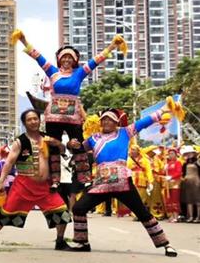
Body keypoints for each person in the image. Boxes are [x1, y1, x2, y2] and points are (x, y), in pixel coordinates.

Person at [15, 29, 122, 190]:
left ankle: (85, 178)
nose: (66, 60)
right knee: (52, 147)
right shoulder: (53, 72)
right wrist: (23, 39)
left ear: (74, 61)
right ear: (59, 60)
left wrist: (113, 45)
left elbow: (96, 60)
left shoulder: (79, 73)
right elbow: (37, 56)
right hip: (54, 117)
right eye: (64, 57)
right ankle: (55, 180)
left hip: (73, 116)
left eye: (69, 58)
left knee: (78, 146)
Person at [69, 108, 177, 257]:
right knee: (79, 208)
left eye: (110, 119)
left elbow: (144, 122)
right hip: (101, 184)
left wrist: (164, 110)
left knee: (142, 213)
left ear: (116, 123)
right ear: (100, 122)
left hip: (123, 183)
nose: (107, 122)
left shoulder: (124, 132)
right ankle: (83, 242)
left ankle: (166, 244)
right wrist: (72, 145)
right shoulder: (94, 138)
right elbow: (79, 149)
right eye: (104, 119)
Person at [0, 110, 72, 251]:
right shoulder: (20, 141)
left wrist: (57, 143)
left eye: (35, 118)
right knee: (6, 212)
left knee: (62, 212)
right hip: (24, 185)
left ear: (39, 120)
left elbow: (62, 150)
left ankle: (60, 241)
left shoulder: (47, 139)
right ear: (24, 123)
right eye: (30, 119)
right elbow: (9, 163)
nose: (33, 121)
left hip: (46, 186)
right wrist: (0, 182)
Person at [128, 145, 154, 218]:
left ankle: (142, 214)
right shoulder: (129, 159)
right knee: (134, 198)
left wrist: (150, 180)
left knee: (142, 198)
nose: (132, 151)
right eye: (131, 150)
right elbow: (127, 169)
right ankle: (135, 214)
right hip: (132, 179)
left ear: (138, 150)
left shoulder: (145, 160)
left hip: (142, 180)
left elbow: (148, 170)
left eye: (133, 150)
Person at [180, 146, 199, 223]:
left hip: (196, 181)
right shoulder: (185, 163)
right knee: (188, 200)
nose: (189, 154)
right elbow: (183, 173)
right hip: (187, 182)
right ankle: (190, 216)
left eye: (190, 153)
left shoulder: (198, 162)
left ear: (194, 153)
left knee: (198, 200)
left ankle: (198, 217)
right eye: (187, 153)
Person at [164, 148, 182, 222]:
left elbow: (179, 172)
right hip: (168, 184)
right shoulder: (167, 164)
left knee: (175, 200)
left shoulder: (178, 163)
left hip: (175, 183)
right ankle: (171, 215)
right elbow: (164, 173)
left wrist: (171, 177)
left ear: (175, 154)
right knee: (169, 200)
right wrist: (164, 170)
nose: (170, 155)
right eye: (169, 154)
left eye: (172, 154)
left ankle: (176, 216)